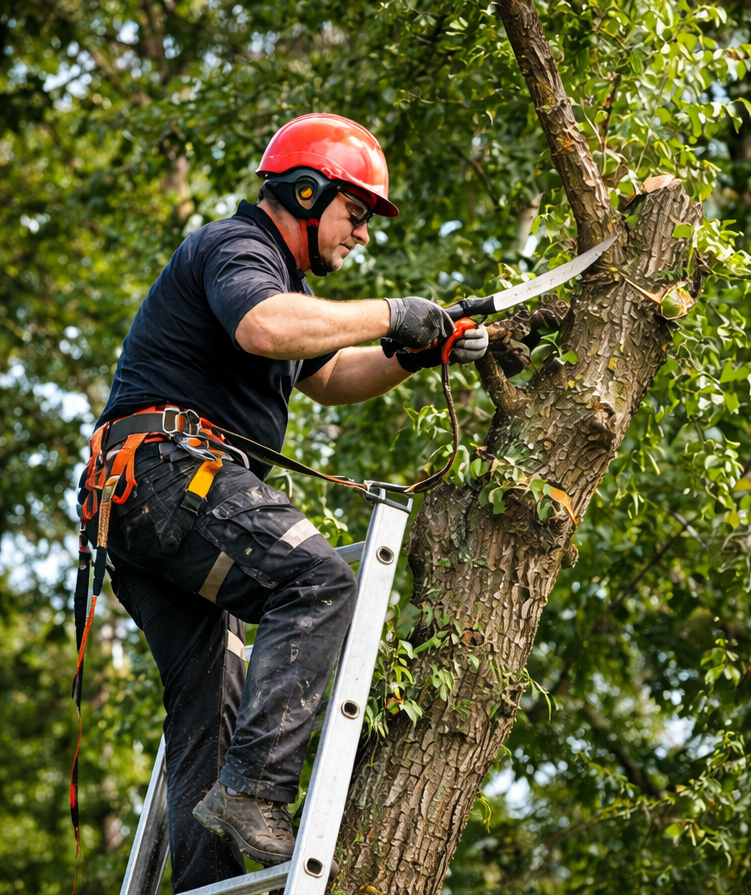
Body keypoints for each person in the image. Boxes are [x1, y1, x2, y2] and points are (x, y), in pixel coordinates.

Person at [79, 112, 488, 891]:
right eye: (354, 213)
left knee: (211, 709)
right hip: (167, 472)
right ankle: (258, 790)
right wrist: (392, 311)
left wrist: (411, 352)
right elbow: (264, 328)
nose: (361, 234)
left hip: (143, 511)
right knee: (319, 580)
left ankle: (207, 879)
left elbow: (329, 377)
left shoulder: (288, 288)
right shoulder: (239, 249)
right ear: (305, 192)